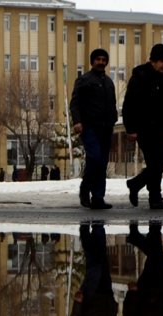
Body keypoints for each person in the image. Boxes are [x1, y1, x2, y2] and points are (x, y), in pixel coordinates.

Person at [122, 44, 163, 209]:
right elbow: (129, 103)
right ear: (153, 61)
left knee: (159, 162)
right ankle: (153, 196)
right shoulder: (140, 76)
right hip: (145, 128)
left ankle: (139, 186)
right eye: (161, 61)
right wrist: (130, 128)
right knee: (157, 161)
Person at [70, 48, 118, 209]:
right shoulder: (84, 80)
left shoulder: (109, 82)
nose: (101, 62)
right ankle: (85, 189)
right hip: (89, 127)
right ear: (92, 61)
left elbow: (112, 104)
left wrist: (113, 120)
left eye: (104, 59)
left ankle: (98, 197)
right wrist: (77, 121)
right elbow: (75, 103)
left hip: (106, 128)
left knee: (101, 162)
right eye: (98, 59)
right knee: (95, 157)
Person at [70, 223, 117, 316]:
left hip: (89, 297)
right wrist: (113, 303)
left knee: (94, 266)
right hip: (105, 294)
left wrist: (78, 303)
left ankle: (85, 232)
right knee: (102, 260)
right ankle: (98, 228)